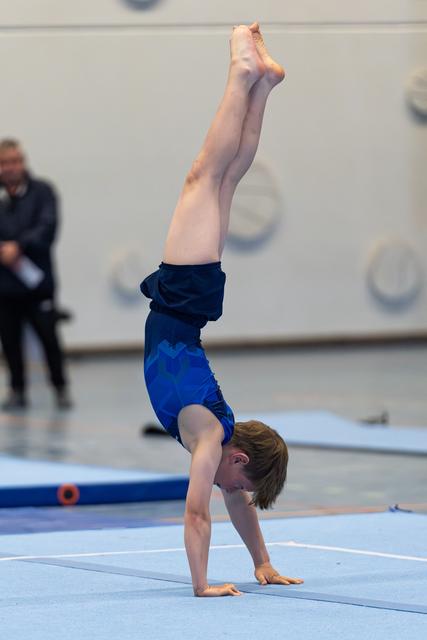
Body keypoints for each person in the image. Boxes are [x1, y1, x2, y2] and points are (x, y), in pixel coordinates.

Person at [141, 24, 303, 597]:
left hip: (192, 305)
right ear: (237, 456)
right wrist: (202, 585)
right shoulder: (210, 437)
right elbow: (195, 515)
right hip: (182, 300)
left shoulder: (222, 437)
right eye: (244, 481)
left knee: (227, 178)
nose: (235, 489)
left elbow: (232, 502)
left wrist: (261, 561)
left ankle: (263, 85)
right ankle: (242, 73)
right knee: (204, 176)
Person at [0, 139, 72, 410]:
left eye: (15, 161)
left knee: (49, 338)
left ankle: (60, 388)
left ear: (23, 162)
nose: (10, 168)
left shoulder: (43, 192)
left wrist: (19, 246)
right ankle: (17, 390)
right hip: (5, 287)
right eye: (5, 163)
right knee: (9, 342)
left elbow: (48, 227)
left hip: (38, 285)